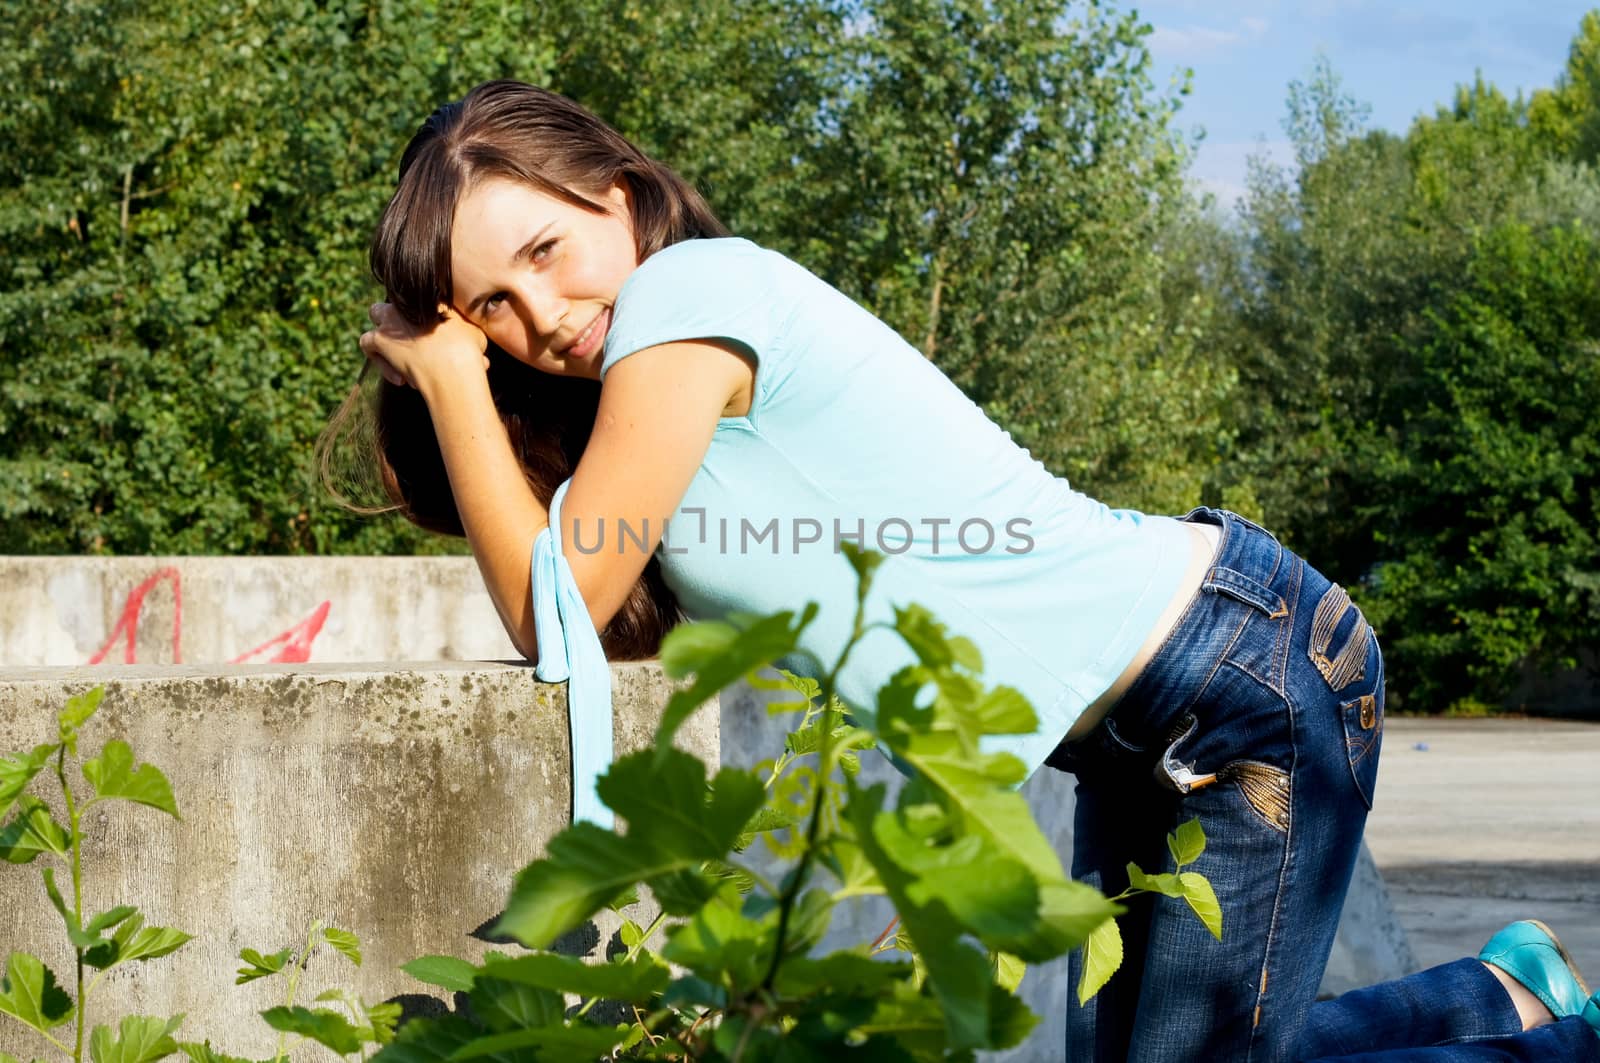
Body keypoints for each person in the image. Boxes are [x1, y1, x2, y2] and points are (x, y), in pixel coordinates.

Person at [327, 80, 1599, 1062]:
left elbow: (560, 607)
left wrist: (447, 384)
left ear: (614, 193)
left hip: (1239, 672)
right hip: (1139, 727)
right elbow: (591, 611)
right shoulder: (645, 414)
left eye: (543, 252)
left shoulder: (687, 296)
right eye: (486, 308)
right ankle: (1495, 994)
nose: (535, 317)